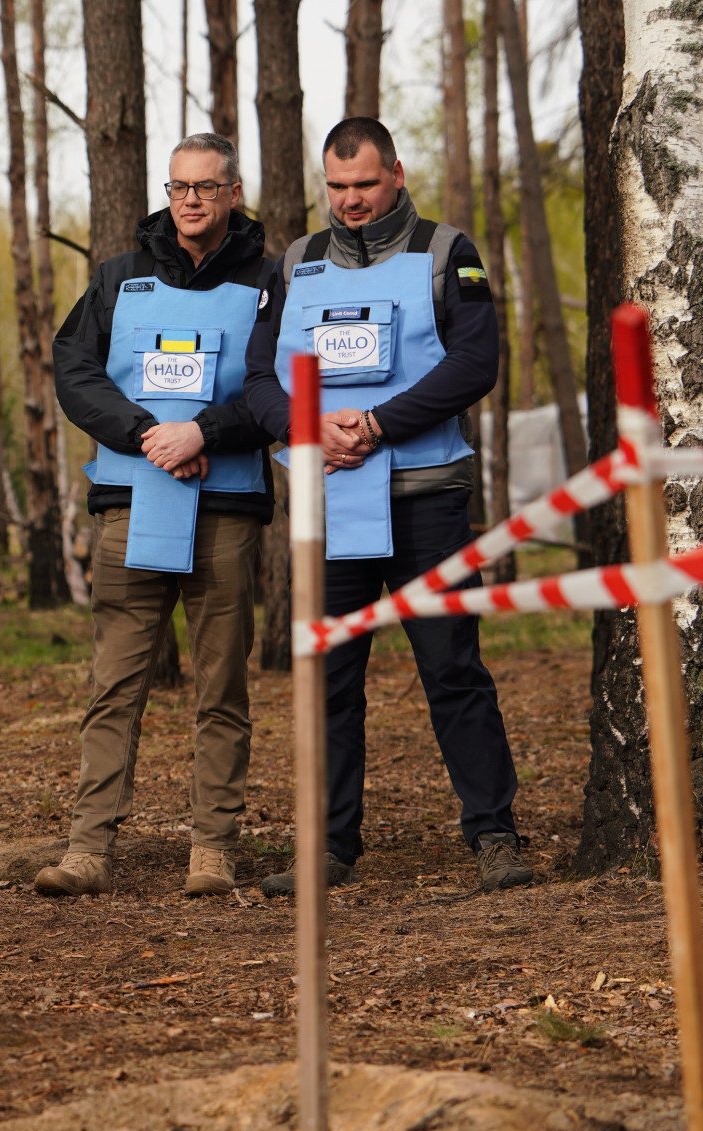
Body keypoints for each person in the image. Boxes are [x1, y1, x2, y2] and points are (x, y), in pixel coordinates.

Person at [241, 117, 530, 895]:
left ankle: (494, 834)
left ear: (396, 174)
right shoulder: (294, 265)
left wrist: (376, 423)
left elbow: (476, 362)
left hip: (424, 501)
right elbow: (259, 380)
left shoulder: (447, 253)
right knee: (330, 679)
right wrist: (310, 428)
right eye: (337, 188)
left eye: (365, 184)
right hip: (327, 506)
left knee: (452, 668)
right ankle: (330, 847)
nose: (351, 201)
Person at [34, 133, 276, 900]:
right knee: (116, 682)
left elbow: (279, 385)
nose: (191, 201)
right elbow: (73, 369)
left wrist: (207, 432)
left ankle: (212, 848)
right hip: (130, 502)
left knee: (221, 686)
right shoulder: (117, 278)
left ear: (233, 192)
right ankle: (88, 848)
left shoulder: (272, 281)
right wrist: (148, 435)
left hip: (226, 509)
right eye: (178, 188)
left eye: (206, 187)